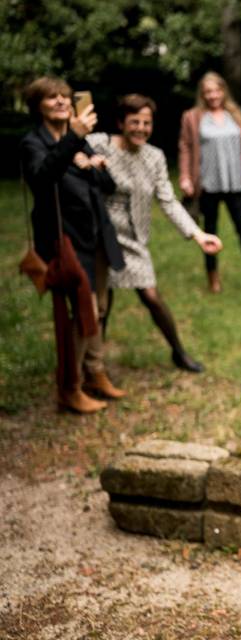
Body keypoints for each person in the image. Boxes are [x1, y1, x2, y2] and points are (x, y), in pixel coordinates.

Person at [86, 94, 223, 373]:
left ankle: (178, 352)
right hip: (99, 235)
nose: (141, 128)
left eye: (147, 123)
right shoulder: (98, 143)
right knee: (102, 303)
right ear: (120, 123)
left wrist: (197, 234)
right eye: (134, 122)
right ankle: (93, 366)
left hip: (134, 237)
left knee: (150, 295)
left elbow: (168, 201)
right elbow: (70, 150)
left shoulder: (154, 156)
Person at [20, 77, 126, 413]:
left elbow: (107, 186)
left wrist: (95, 165)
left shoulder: (78, 140)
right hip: (64, 239)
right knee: (82, 313)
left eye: (66, 96)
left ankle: (95, 372)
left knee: (101, 307)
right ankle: (69, 388)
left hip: (95, 233)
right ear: (38, 105)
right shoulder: (34, 143)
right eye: (52, 98)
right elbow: (41, 179)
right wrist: (72, 141)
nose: (62, 102)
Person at [178, 71, 241, 293]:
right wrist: (185, 177)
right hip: (208, 183)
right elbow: (185, 148)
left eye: (216, 90)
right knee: (210, 231)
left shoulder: (234, 114)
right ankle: (213, 278)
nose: (212, 95)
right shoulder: (192, 117)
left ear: (223, 91)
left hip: (235, 183)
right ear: (202, 94)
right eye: (208, 92)